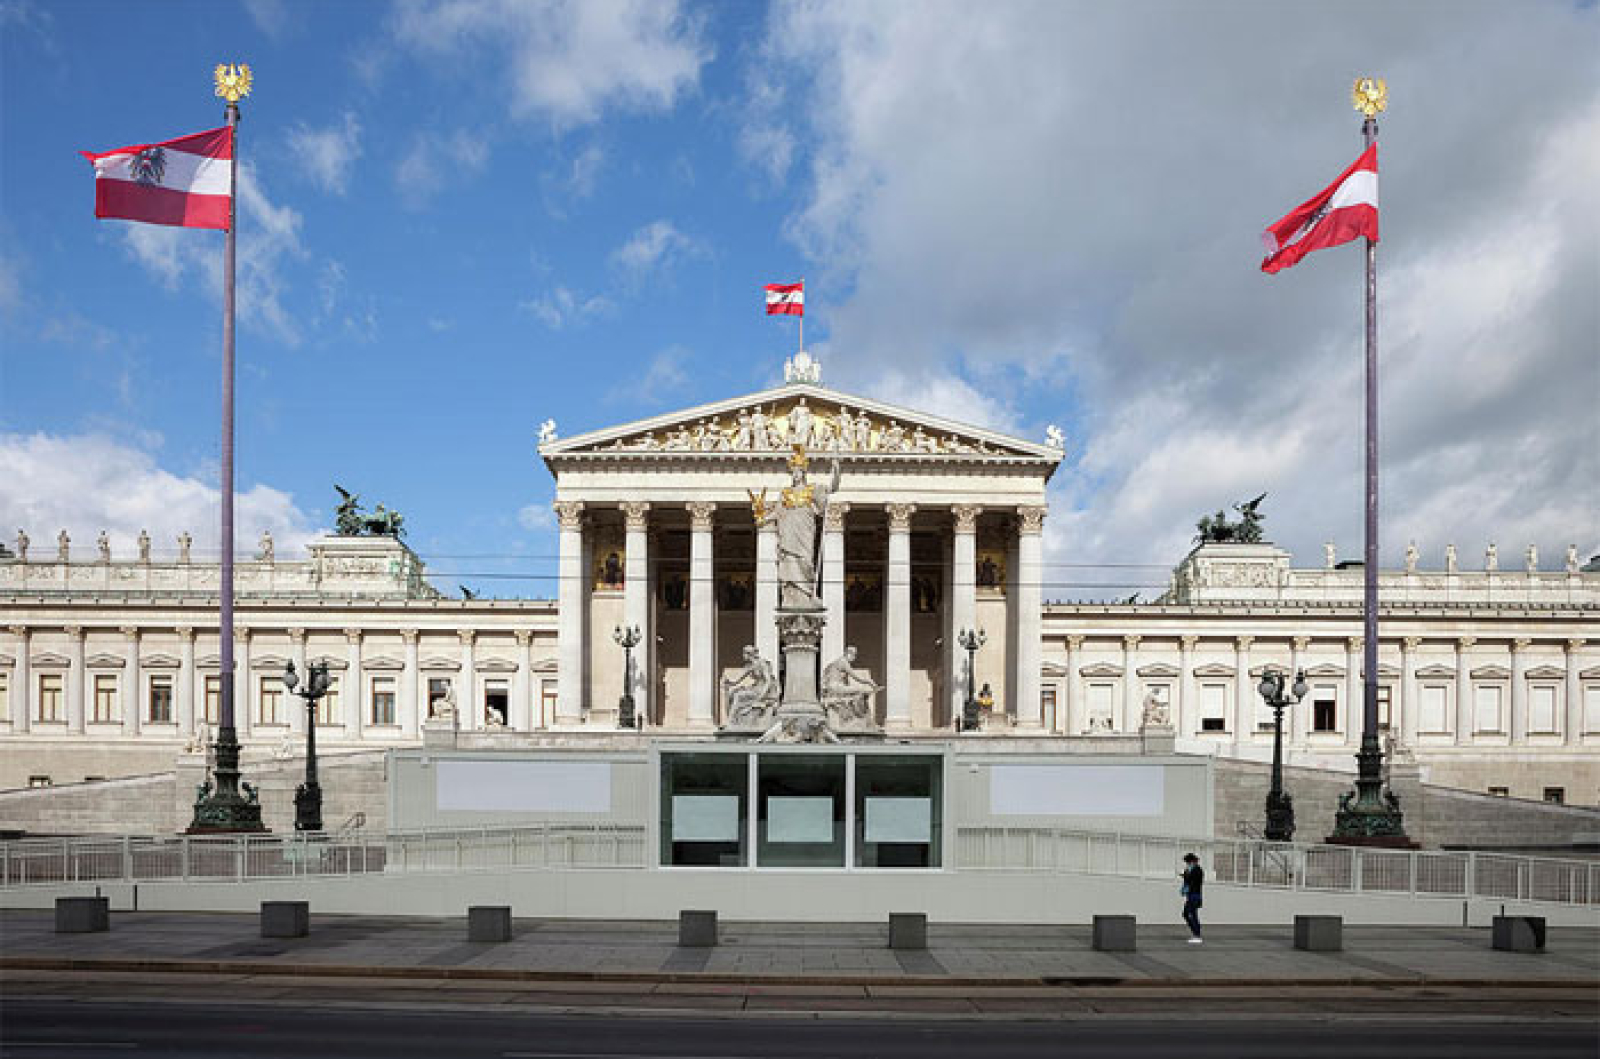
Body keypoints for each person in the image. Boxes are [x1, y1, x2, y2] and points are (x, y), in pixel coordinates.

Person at [1180, 852, 1205, 944]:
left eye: (1188, 862)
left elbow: (1193, 881)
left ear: (1192, 861)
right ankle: (1196, 931)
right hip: (1191, 895)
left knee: (1192, 914)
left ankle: (1197, 935)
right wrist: (1186, 875)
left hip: (1195, 895)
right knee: (1186, 914)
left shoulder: (1198, 870)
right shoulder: (1191, 870)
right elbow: (1188, 881)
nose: (1187, 864)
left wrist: (1185, 875)